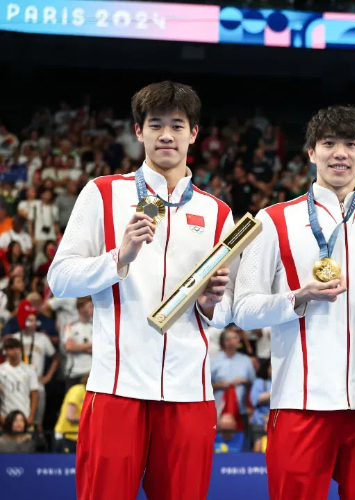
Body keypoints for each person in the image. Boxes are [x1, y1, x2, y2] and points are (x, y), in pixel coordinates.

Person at [47, 81, 237, 500]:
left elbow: (226, 312)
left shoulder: (217, 211)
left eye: (177, 125)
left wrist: (211, 304)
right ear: (138, 132)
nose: (166, 134)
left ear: (194, 133)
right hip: (117, 389)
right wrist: (119, 257)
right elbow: (59, 279)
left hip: (190, 394)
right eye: (155, 125)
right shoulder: (103, 193)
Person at [233, 105, 355, 500]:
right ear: (311, 152)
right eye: (329, 143)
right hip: (300, 401)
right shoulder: (272, 220)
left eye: (351, 144)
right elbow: (243, 309)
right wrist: (296, 298)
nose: (340, 153)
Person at [8, 300, 58, 426]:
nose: (34, 323)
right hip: (16, 385)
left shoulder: (43, 338)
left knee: (37, 423)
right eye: (30, 319)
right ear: (23, 320)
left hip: (37, 385)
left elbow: (56, 358)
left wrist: (48, 377)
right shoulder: (13, 339)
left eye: (35, 319)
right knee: (16, 421)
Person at [0, 337, 39, 428]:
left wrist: (31, 416)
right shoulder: (1, 370)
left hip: (25, 416)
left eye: (17, 348)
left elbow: (34, 394)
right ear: (6, 351)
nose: (15, 351)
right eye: (11, 348)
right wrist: (1, 417)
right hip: (5, 415)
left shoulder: (29, 369)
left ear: (21, 350)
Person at [61, 296, 93, 391]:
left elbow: (100, 349)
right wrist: (91, 345)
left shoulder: (96, 326)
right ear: (81, 308)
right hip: (74, 372)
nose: (93, 309)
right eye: (90, 306)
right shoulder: (71, 326)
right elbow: (69, 347)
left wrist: (78, 346)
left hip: (91, 372)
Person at [54, 372, 89, 453]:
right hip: (66, 436)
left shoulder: (90, 395)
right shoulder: (78, 389)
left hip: (78, 438)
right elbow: (70, 416)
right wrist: (92, 421)